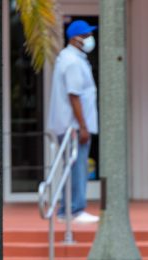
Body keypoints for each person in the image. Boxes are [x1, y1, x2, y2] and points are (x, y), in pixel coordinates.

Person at [46, 20, 100, 223]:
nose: (89, 39)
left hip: (71, 125)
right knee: (76, 167)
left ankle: (67, 210)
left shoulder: (72, 58)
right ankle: (74, 210)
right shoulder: (72, 62)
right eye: (85, 36)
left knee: (73, 167)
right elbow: (74, 95)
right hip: (73, 126)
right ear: (74, 38)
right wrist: (82, 127)